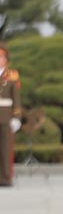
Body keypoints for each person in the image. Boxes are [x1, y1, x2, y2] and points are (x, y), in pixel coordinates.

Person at [0, 45, 18, 186]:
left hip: (6, 115)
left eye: (1, 57)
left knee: (6, 148)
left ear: (6, 60)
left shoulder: (12, 75)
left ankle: (6, 177)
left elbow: (16, 98)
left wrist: (16, 117)